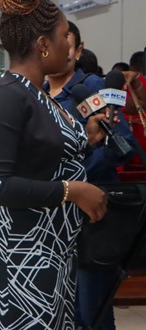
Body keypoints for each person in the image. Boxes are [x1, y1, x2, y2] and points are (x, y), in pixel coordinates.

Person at [0, 0, 109, 329]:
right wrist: (72, 191)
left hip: (50, 247)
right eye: (64, 36)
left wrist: (88, 138)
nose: (70, 47)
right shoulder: (7, 96)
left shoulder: (36, 93)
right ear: (44, 45)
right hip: (19, 252)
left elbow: (40, 153)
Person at [45, 21, 137, 329]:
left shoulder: (92, 87)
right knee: (58, 310)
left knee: (91, 312)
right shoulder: (38, 93)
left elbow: (120, 146)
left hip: (91, 215)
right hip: (51, 216)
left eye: (65, 43)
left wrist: (73, 175)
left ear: (78, 49)